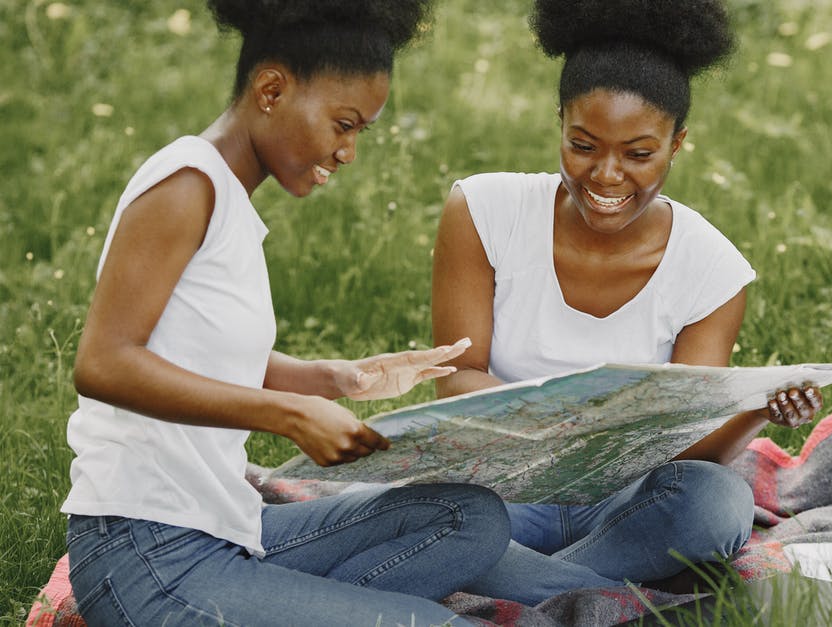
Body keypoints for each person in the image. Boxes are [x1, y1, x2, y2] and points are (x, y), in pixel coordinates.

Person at [60, 2, 510, 625]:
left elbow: (193, 349)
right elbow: (103, 364)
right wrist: (291, 415)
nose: (349, 151)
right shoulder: (186, 186)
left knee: (469, 515)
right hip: (147, 554)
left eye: (360, 132)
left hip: (226, 531)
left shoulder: (228, 201)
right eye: (343, 124)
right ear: (271, 89)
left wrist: (338, 378)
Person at [431, 0, 823, 605]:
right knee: (425, 513)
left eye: (639, 154)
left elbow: (694, 450)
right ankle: (602, 594)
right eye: (583, 145)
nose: (607, 177)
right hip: (504, 488)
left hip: (625, 503)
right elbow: (456, 382)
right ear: (559, 122)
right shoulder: (483, 211)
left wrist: (756, 412)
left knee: (718, 503)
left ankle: (521, 580)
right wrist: (575, 422)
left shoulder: (711, 267)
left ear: (676, 144)